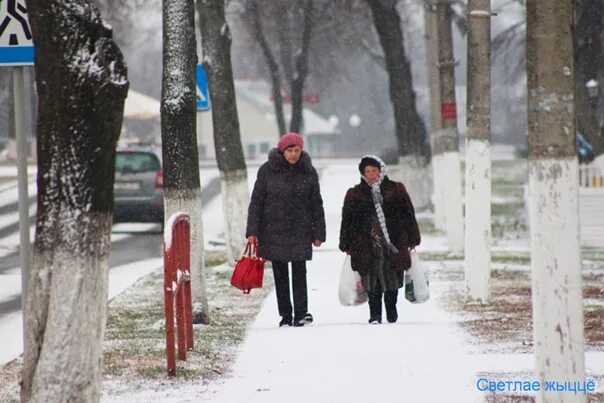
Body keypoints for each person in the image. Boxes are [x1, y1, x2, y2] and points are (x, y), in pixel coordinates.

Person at [246, 132, 326, 327]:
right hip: (274, 230)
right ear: (282, 151)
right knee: (280, 275)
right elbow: (256, 202)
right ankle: (285, 316)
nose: (293, 154)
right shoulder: (267, 171)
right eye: (290, 150)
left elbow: (316, 204)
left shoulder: (308, 171)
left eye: (297, 150)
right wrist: (252, 232)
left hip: (300, 229)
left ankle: (301, 313)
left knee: (300, 272)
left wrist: (319, 233)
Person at [339, 155, 420, 324]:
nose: (371, 174)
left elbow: (408, 215)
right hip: (366, 244)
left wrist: (412, 238)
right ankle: (375, 314)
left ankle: (391, 311)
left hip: (393, 243)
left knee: (392, 279)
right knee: (371, 280)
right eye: (367, 171)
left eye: (374, 170)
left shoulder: (396, 189)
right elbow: (347, 220)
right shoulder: (355, 194)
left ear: (381, 170)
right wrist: (346, 242)